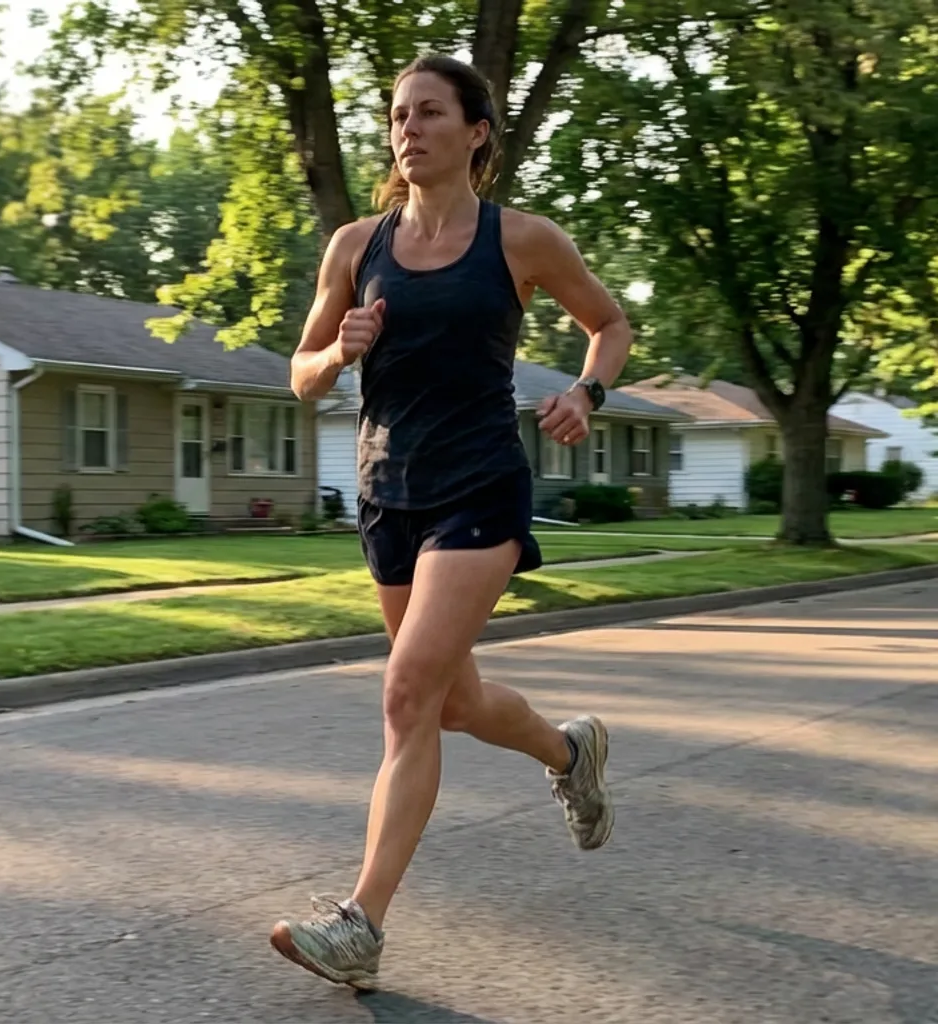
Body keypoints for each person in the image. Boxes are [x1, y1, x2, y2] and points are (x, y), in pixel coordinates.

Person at [269, 52, 630, 991]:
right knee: (453, 702)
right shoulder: (356, 245)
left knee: (403, 696)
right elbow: (299, 371)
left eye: (430, 113)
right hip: (389, 493)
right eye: (397, 115)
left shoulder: (522, 240)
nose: (407, 129)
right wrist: (335, 354)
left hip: (480, 490)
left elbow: (610, 324)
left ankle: (362, 924)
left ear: (476, 133)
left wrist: (587, 392)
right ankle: (569, 751)